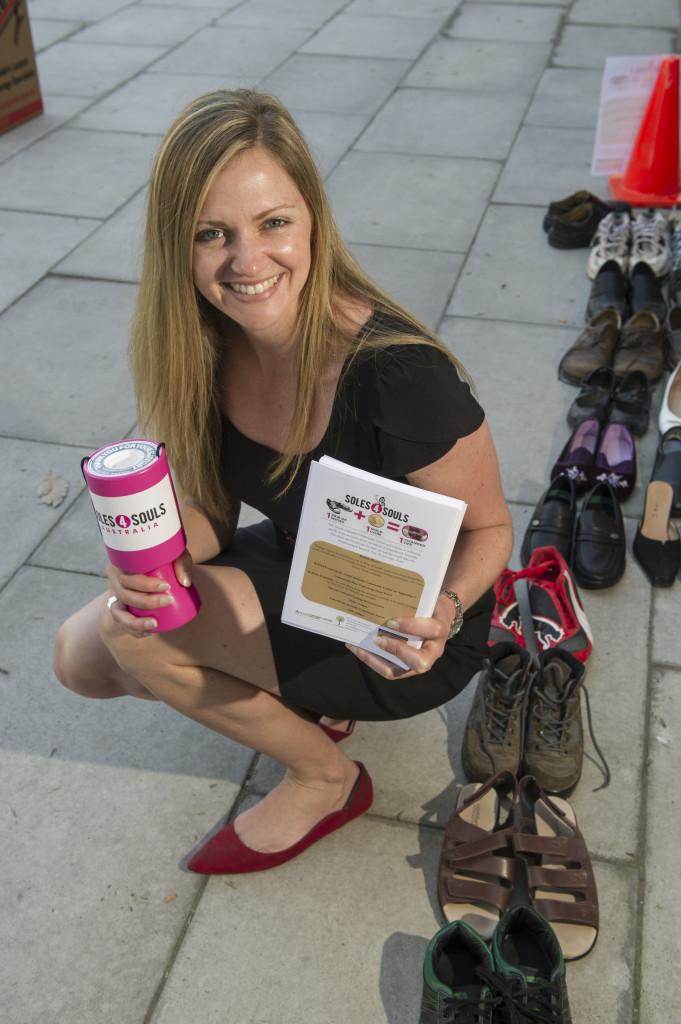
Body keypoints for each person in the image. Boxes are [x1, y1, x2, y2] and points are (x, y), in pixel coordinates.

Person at [53, 89, 513, 874]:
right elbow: (211, 511)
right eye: (212, 234)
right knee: (85, 652)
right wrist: (147, 568)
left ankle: (326, 777)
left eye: (273, 223)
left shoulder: (399, 373)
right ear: (179, 244)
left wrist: (441, 610)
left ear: (311, 220)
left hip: (407, 625)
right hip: (312, 570)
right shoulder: (204, 344)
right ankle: (309, 705)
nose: (246, 263)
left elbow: (491, 530)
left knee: (149, 648)